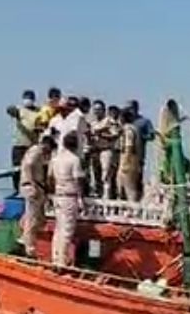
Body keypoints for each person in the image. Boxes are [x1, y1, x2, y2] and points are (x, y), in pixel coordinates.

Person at [49, 132, 86, 268]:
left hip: (58, 194)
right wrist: (81, 198)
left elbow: (50, 178)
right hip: (69, 196)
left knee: (58, 229)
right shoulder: (74, 160)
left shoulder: (56, 159)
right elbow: (78, 180)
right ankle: (62, 262)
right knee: (67, 229)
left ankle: (55, 258)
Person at [18, 135, 56, 256]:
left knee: (37, 217)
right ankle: (29, 247)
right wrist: (32, 182)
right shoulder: (36, 151)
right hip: (32, 186)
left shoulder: (37, 153)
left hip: (36, 186)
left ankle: (23, 237)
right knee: (32, 218)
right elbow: (28, 165)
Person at [6, 90, 40, 192]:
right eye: (26, 98)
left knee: (32, 170)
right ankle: (17, 190)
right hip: (19, 145)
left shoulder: (38, 111)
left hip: (33, 145)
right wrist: (13, 112)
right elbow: (10, 109)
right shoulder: (20, 110)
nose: (28, 100)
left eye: (30, 98)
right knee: (17, 170)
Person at [127, 100, 156, 197]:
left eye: (131, 108)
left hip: (138, 154)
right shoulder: (123, 120)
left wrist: (141, 136)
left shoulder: (144, 122)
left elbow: (152, 135)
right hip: (123, 155)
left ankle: (138, 197)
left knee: (137, 176)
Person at [93, 105, 122, 199]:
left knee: (106, 175)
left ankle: (106, 196)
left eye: (99, 110)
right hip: (95, 151)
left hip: (106, 150)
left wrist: (101, 134)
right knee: (96, 175)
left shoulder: (109, 121)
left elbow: (115, 135)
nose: (96, 112)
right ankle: (98, 193)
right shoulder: (94, 123)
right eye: (95, 110)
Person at [117, 109, 143, 203]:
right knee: (123, 185)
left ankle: (133, 208)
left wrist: (125, 163)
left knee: (129, 187)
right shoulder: (133, 128)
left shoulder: (128, 130)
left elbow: (129, 146)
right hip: (132, 160)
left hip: (128, 160)